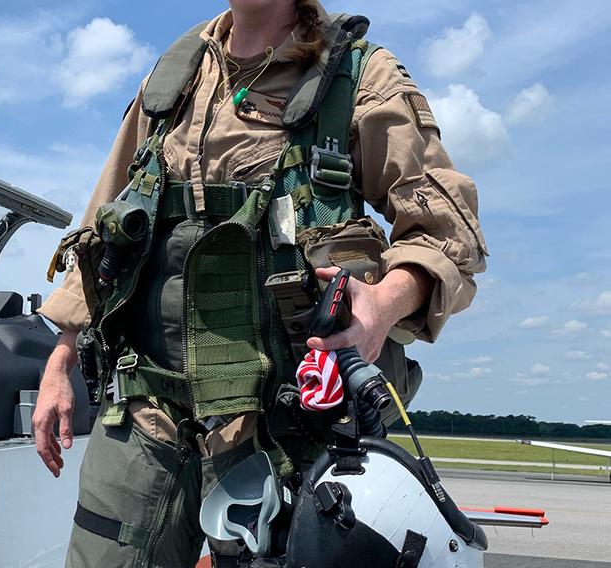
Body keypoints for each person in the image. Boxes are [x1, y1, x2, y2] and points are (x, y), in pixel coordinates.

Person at [34, 0, 488, 566]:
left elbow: (450, 235)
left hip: (287, 430)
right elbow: (105, 223)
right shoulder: (173, 77)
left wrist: (382, 306)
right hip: (146, 410)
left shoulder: (358, 76)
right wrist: (60, 360)